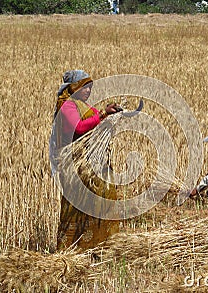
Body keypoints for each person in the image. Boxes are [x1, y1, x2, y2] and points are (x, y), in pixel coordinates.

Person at [50, 69, 121, 250]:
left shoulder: (84, 106)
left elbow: (96, 121)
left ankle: (99, 245)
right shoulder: (67, 106)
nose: (88, 91)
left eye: (90, 87)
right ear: (74, 87)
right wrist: (103, 114)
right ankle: (73, 247)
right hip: (75, 165)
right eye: (85, 87)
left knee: (101, 197)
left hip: (89, 162)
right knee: (79, 205)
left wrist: (112, 116)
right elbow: (79, 128)